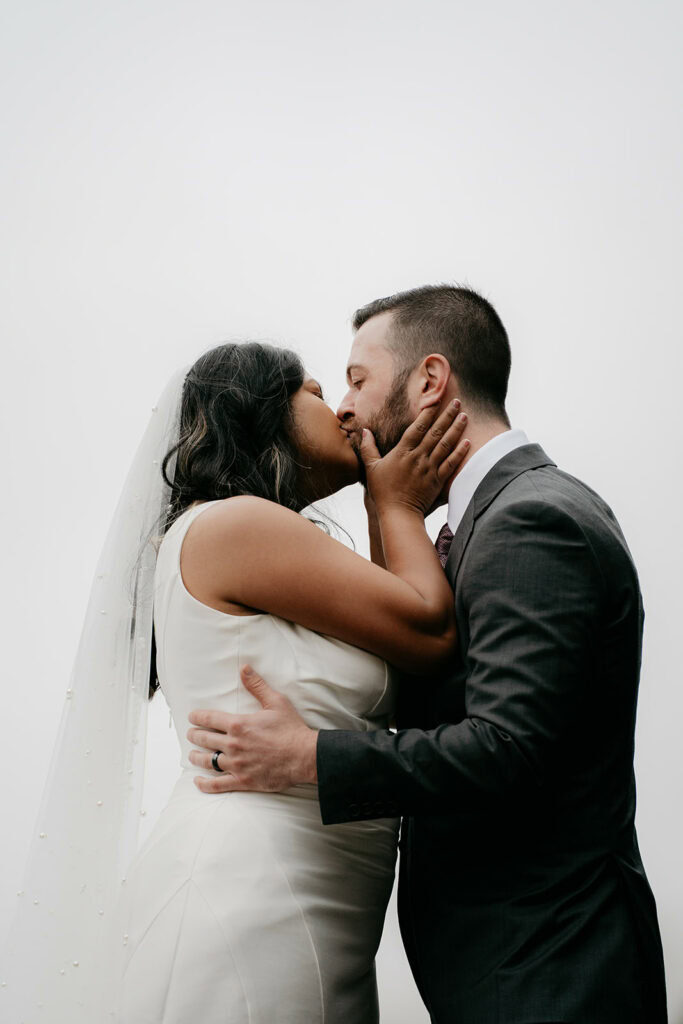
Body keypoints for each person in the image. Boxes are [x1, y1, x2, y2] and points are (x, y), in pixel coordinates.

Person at [189, 285, 668, 1024]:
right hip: (508, 967)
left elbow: (508, 749)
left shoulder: (531, 517)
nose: (344, 409)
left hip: (550, 969)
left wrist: (311, 758)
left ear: (430, 381)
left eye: (355, 380)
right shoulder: (483, 523)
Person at [118, 341, 471, 1023]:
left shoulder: (262, 539)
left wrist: (381, 507)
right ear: (259, 410)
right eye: (311, 391)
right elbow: (428, 634)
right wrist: (397, 503)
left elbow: (396, 627)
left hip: (313, 898)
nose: (339, 408)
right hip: (251, 887)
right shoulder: (235, 523)